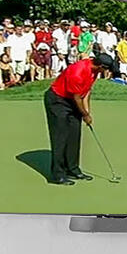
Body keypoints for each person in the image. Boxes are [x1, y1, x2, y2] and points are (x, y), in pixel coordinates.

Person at [45, 45, 97, 182]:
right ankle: (58, 175)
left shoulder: (95, 70)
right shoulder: (77, 72)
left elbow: (87, 91)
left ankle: (72, 169)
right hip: (57, 100)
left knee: (74, 134)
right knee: (60, 136)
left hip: (73, 100)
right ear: (101, 66)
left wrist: (87, 112)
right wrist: (84, 114)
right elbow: (76, 97)